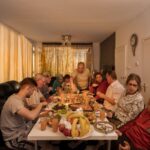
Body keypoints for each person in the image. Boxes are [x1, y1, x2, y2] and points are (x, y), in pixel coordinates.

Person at [0, 77, 47, 149]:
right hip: (14, 139)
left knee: (44, 140)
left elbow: (29, 108)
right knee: (43, 146)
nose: (33, 93)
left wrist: (42, 109)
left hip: (22, 131)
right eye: (33, 90)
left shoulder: (18, 98)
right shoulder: (14, 101)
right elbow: (31, 116)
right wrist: (40, 104)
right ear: (28, 88)